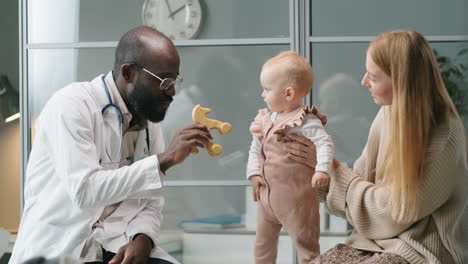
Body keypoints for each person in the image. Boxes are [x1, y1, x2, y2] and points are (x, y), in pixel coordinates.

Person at [9, 26, 214, 264]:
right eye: (164, 81)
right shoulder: (71, 106)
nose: (172, 91)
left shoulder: (148, 122)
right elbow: (86, 191)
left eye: (175, 80)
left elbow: (150, 200)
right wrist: (164, 160)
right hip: (59, 249)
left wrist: (143, 238)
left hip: (112, 247)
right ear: (129, 73)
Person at [287, 30, 467, 263]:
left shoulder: (445, 137)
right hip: (372, 242)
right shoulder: (388, 113)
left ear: (401, 80)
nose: (363, 82)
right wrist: (310, 165)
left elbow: (392, 215)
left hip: (421, 252)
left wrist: (331, 169)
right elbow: (359, 179)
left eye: (373, 77)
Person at [246, 51, 334, 264]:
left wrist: (322, 169)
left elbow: (325, 143)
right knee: (262, 245)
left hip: (297, 200)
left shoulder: (305, 120)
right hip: (267, 199)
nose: (262, 94)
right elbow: (255, 148)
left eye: (267, 89)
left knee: (306, 245)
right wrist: (254, 173)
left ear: (288, 94)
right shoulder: (265, 119)